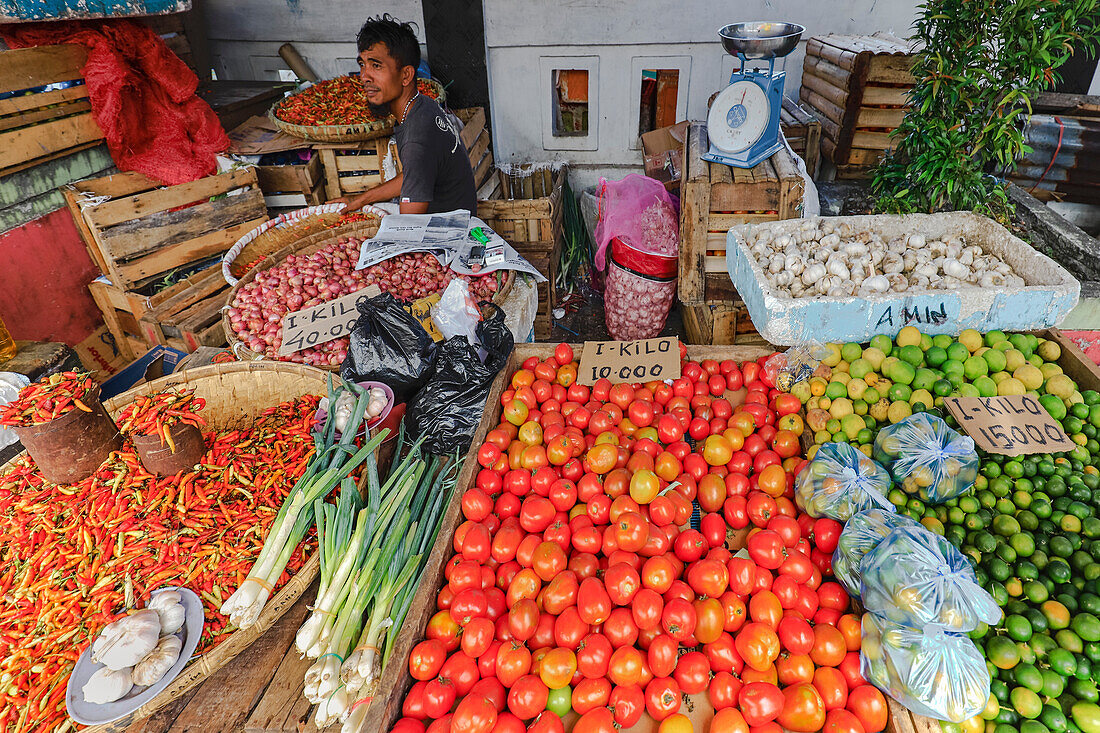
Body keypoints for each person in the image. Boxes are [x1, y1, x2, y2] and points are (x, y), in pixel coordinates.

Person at [335, 15, 477, 215]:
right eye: (362, 64)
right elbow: (416, 174)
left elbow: (411, 228)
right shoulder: (424, 105)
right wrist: (360, 199)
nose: (364, 76)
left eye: (376, 65)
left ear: (406, 75)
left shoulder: (416, 140)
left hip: (446, 235)